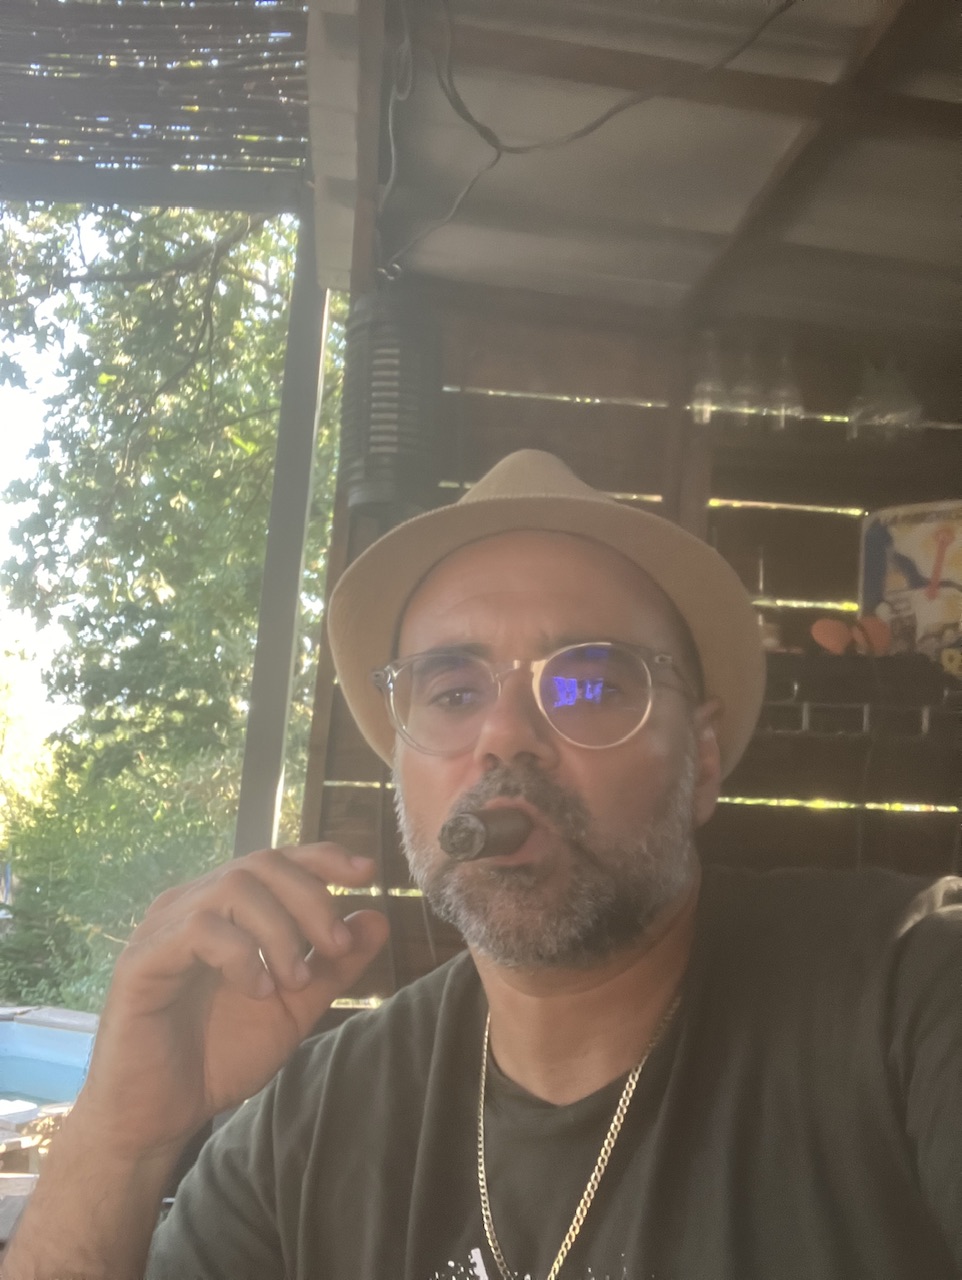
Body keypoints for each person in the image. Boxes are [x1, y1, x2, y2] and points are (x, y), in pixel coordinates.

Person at [5, 450, 960, 1280]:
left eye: (587, 684)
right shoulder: (310, 1129)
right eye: (454, 692)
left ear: (701, 760)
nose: (506, 735)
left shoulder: (912, 993)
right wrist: (121, 1140)